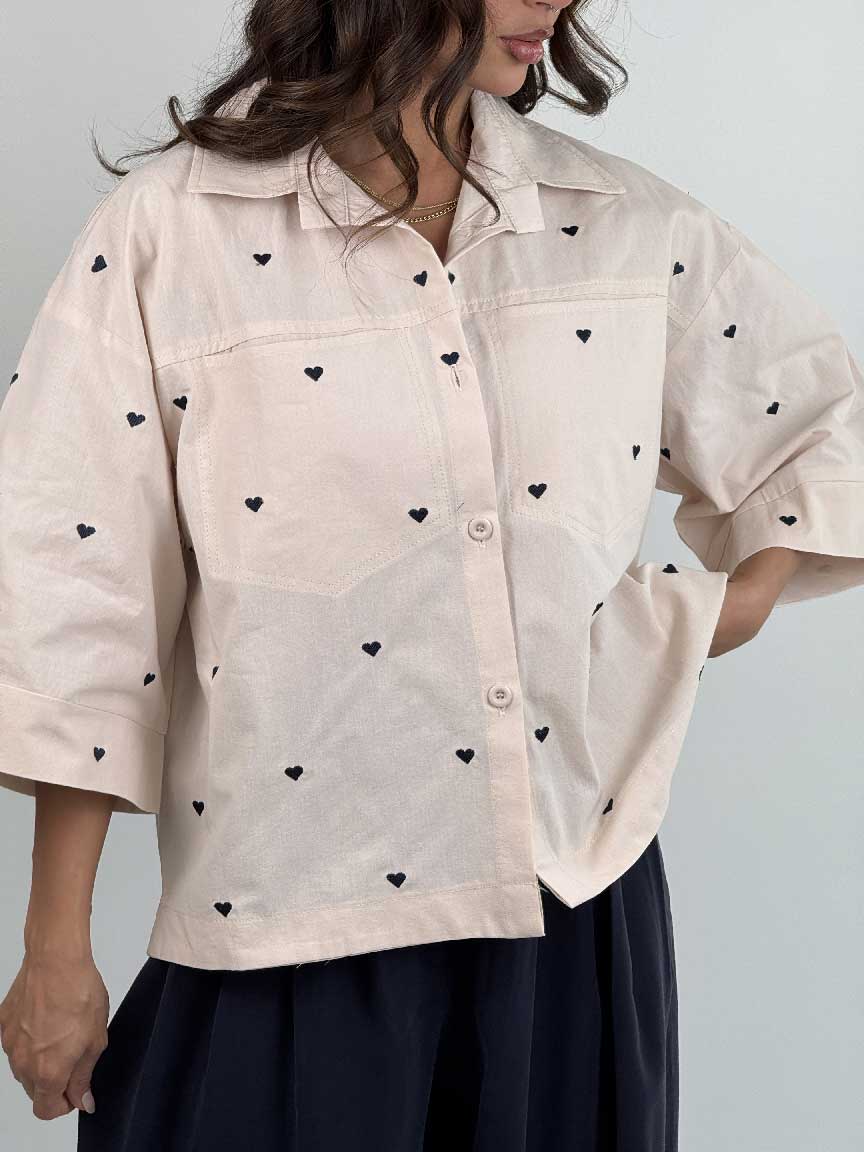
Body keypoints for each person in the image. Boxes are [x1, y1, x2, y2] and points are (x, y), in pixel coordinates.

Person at [1, 1, 862, 1149]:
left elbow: (819, 427)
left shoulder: (620, 223)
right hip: (285, 911)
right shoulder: (174, 230)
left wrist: (700, 614)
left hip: (565, 905)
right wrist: (54, 945)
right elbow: (80, 585)